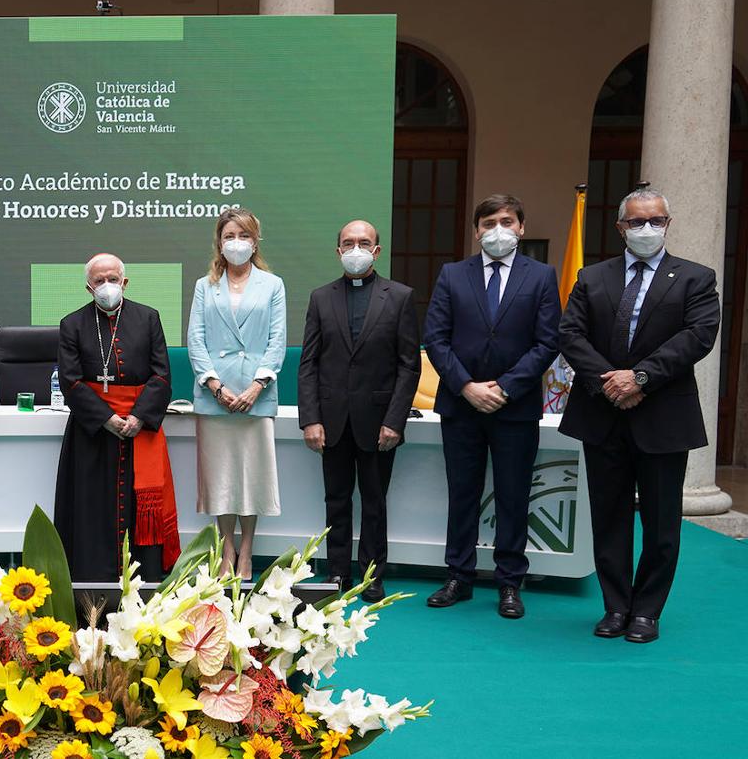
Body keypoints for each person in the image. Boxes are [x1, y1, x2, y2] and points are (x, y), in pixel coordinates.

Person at [559, 187, 719, 643]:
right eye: (637, 222)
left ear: (668, 224)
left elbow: (698, 336)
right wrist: (612, 380)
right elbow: (570, 336)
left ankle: (647, 611)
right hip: (602, 413)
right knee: (608, 517)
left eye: (656, 221)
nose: (646, 229)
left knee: (661, 522)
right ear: (620, 227)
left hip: (664, 417)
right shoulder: (592, 278)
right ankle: (615, 607)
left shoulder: (695, 278)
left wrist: (641, 378)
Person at [423, 194, 560, 619]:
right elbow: (436, 338)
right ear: (476, 230)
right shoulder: (452, 274)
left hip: (514, 407)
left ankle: (509, 583)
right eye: (488, 223)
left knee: (513, 496)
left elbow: (547, 342)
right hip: (461, 406)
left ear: (521, 226)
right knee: (462, 494)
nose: (497, 230)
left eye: (506, 221)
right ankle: (458, 577)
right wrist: (466, 386)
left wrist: (504, 387)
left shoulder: (541, 276)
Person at [298, 220, 420, 599]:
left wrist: (395, 421)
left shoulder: (399, 296)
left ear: (376, 250)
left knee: (374, 502)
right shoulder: (320, 297)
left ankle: (371, 575)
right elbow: (309, 363)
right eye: (348, 243)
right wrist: (311, 419)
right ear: (338, 251)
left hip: (379, 421)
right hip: (332, 420)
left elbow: (408, 364)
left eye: (363, 243)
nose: (355, 249)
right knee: (335, 500)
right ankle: (336, 573)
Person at [54, 254, 179, 582]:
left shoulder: (148, 318)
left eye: (113, 279)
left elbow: (162, 375)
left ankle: (145, 582)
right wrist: (108, 418)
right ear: (88, 287)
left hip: (140, 431)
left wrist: (138, 416)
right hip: (92, 433)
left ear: (125, 282)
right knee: (92, 510)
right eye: (99, 280)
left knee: (141, 513)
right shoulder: (72, 324)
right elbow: (71, 381)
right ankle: (92, 585)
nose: (106, 286)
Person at [187, 208, 285, 580]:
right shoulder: (204, 285)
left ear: (256, 240)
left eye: (244, 236)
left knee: (252, 477)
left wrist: (258, 385)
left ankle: (247, 552)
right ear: (219, 242)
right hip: (215, 396)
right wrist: (214, 384)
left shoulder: (272, 285)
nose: (237, 243)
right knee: (221, 477)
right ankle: (226, 548)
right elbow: (195, 339)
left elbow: (277, 341)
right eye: (230, 236)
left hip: (257, 394)